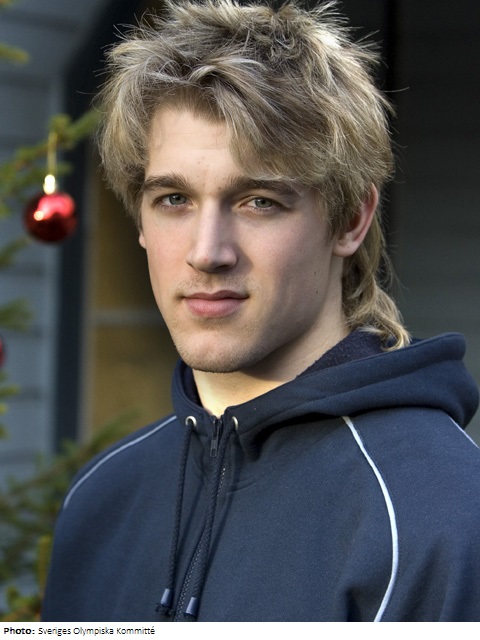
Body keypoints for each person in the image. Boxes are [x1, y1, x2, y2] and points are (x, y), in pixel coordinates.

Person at [42, 0, 480, 622]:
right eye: (173, 199)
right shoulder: (100, 499)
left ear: (350, 219)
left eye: (258, 202)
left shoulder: (441, 513)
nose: (207, 252)